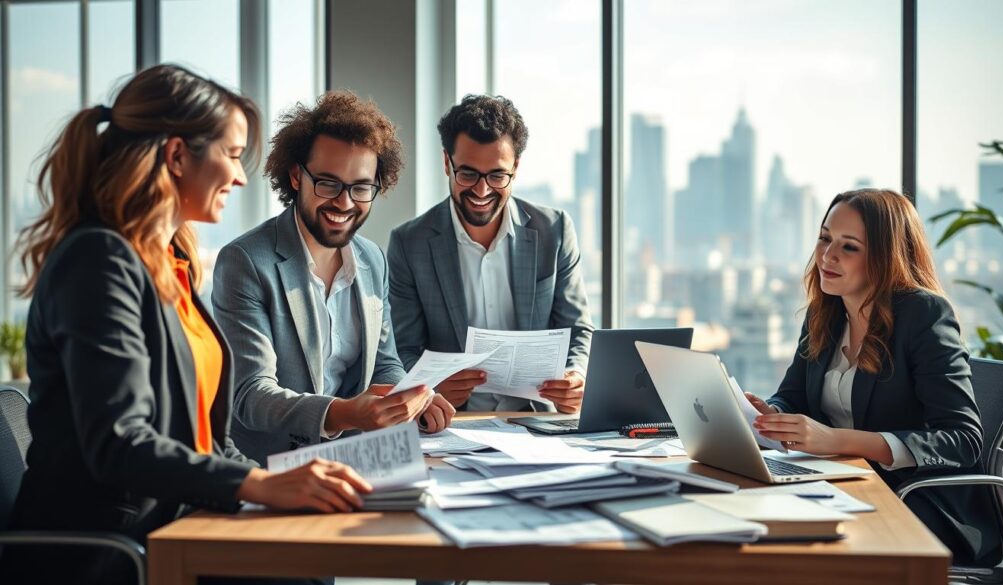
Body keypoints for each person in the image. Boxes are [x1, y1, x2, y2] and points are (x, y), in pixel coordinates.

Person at [0, 65, 372, 585]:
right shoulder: (98, 260)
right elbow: (121, 442)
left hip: (179, 523)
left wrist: (284, 484)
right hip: (112, 550)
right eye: (234, 155)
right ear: (177, 156)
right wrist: (259, 487)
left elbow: (204, 439)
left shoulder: (169, 259)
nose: (242, 177)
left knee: (313, 555)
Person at [746, 188, 999, 564]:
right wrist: (771, 414)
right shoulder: (824, 313)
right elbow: (793, 395)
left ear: (884, 256)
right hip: (843, 484)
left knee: (794, 551)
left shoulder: (924, 315)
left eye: (849, 247)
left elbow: (962, 439)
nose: (827, 256)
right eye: (825, 238)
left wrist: (836, 439)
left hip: (918, 501)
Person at [213, 91, 454, 466]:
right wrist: (345, 413)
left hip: (358, 462)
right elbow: (250, 395)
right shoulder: (245, 261)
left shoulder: (373, 259)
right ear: (296, 176)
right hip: (270, 473)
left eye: (360, 188)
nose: (344, 203)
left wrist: (411, 395)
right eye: (328, 184)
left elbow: (384, 363)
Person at [388, 95, 594, 414]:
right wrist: (431, 387)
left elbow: (578, 329)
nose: (482, 191)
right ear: (447, 162)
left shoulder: (555, 230)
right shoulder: (409, 243)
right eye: (467, 174)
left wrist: (576, 375)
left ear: (516, 168)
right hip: (455, 422)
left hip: (538, 420)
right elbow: (402, 348)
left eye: (497, 176)